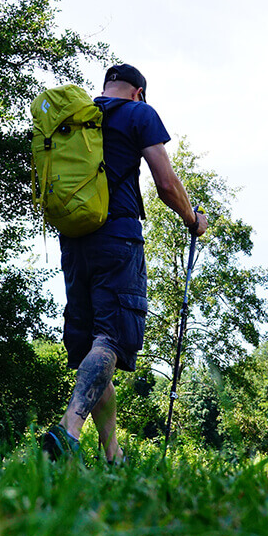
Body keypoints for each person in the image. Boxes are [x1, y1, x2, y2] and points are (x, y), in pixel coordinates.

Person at [43, 64, 208, 463]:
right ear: (138, 92)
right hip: (117, 235)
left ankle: (113, 454)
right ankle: (69, 431)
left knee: (94, 350)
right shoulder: (139, 113)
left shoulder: (78, 120)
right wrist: (193, 220)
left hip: (74, 239)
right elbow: (166, 183)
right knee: (112, 339)